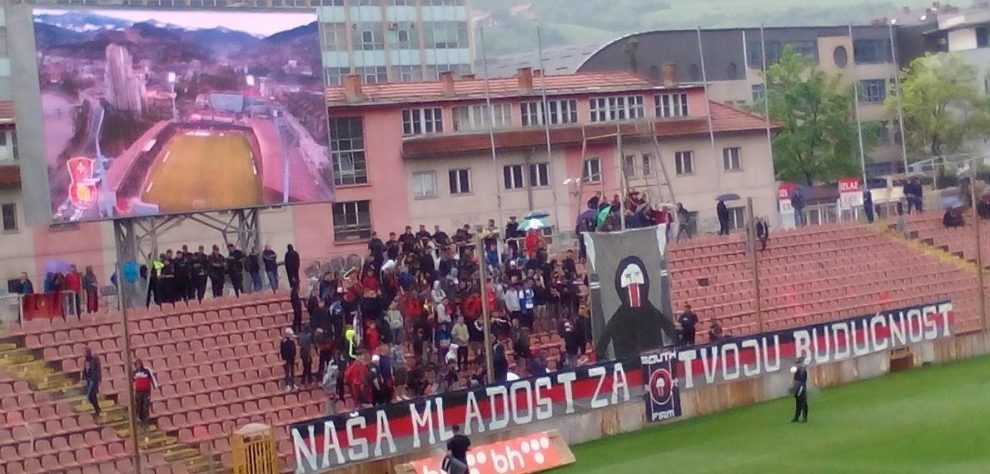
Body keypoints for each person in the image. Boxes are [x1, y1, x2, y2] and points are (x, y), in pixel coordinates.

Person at [132, 359, 159, 425]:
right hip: (138, 391)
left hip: (146, 391)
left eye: (139, 364)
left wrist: (155, 386)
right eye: (137, 364)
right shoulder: (134, 373)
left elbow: (152, 378)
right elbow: (132, 381)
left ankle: (146, 419)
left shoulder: (147, 371)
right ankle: (138, 418)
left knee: (145, 405)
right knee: (138, 405)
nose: (138, 365)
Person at [81, 348, 102, 417]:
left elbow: (98, 370)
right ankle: (97, 409)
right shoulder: (86, 361)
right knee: (92, 396)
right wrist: (83, 378)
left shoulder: (95, 359)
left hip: (94, 380)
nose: (84, 354)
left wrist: (98, 379)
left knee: (92, 395)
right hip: (89, 380)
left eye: (84, 352)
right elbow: (85, 370)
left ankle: (98, 409)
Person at [791, 357, 808, 423]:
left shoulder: (802, 370)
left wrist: (800, 387)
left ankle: (804, 417)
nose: (797, 364)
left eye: (798, 363)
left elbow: (802, 380)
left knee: (803, 402)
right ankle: (797, 417)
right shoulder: (798, 370)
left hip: (801, 387)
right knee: (798, 402)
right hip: (797, 387)